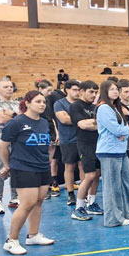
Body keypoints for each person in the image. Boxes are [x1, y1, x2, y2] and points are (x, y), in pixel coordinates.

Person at [0, 90, 54, 255]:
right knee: (27, 203)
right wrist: (8, 165)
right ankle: (11, 240)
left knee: (38, 201)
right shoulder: (17, 122)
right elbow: (2, 145)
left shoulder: (44, 122)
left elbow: (47, 145)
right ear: (27, 103)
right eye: (38, 101)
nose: (42, 104)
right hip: (23, 167)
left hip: (42, 167)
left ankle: (33, 235)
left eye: (44, 102)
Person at [96, 80, 129, 227]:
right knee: (112, 186)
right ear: (105, 91)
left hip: (120, 150)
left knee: (128, 181)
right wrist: (127, 131)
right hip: (109, 152)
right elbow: (117, 130)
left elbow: (122, 128)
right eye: (112, 89)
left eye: (116, 89)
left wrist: (124, 131)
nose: (115, 92)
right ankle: (113, 219)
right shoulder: (104, 108)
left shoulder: (114, 108)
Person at [69, 80, 104, 221]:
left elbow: (95, 124)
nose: (94, 95)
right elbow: (83, 125)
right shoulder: (76, 106)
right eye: (91, 92)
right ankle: (78, 208)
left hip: (98, 143)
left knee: (97, 174)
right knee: (89, 176)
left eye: (96, 92)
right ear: (82, 91)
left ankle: (91, 203)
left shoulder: (95, 107)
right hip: (85, 144)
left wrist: (93, 124)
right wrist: (99, 123)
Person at [0, 77, 20, 214]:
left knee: (16, 171)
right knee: (0, 173)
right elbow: (0, 119)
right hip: (0, 143)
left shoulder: (17, 103)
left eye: (11, 86)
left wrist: (11, 114)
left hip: (17, 143)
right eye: (6, 87)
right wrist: (16, 117)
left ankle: (14, 198)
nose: (9, 89)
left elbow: (23, 119)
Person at [54, 80, 83, 208]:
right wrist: (82, 120)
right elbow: (64, 119)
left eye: (79, 90)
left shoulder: (81, 103)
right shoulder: (59, 104)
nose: (77, 92)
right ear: (67, 90)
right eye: (74, 90)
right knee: (69, 167)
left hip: (83, 139)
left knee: (83, 167)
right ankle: (71, 194)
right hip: (68, 140)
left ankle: (84, 193)